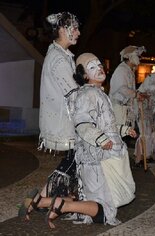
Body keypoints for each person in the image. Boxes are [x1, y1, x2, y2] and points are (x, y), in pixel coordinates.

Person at [36, 53, 137, 229]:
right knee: (105, 209)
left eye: (99, 64)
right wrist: (99, 139)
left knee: (104, 199)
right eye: (92, 67)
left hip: (105, 155)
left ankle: (53, 202)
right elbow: (82, 123)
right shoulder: (88, 94)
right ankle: (64, 205)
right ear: (84, 76)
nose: (99, 68)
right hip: (97, 158)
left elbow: (106, 124)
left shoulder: (97, 94)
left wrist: (123, 130)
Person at [18, 12, 82, 220]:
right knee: (74, 159)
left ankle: (53, 199)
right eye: (74, 28)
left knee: (74, 160)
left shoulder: (61, 55)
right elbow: (72, 92)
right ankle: (41, 200)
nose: (78, 33)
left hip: (66, 117)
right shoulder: (58, 59)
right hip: (65, 119)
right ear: (63, 30)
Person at [109, 45, 147, 130]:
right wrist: (137, 95)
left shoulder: (129, 70)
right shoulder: (121, 70)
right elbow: (122, 89)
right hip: (119, 109)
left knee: (126, 135)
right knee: (120, 135)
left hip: (127, 109)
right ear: (129, 56)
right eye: (137, 55)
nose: (140, 58)